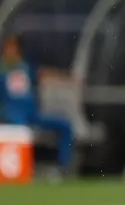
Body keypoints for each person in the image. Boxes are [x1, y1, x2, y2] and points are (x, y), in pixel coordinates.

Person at [0, 35, 75, 176]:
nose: (10, 50)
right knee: (20, 128)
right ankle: (23, 168)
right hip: (12, 115)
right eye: (8, 47)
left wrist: (66, 77)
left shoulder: (25, 67)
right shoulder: (2, 69)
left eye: (13, 47)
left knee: (65, 125)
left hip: (32, 113)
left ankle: (62, 166)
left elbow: (43, 73)